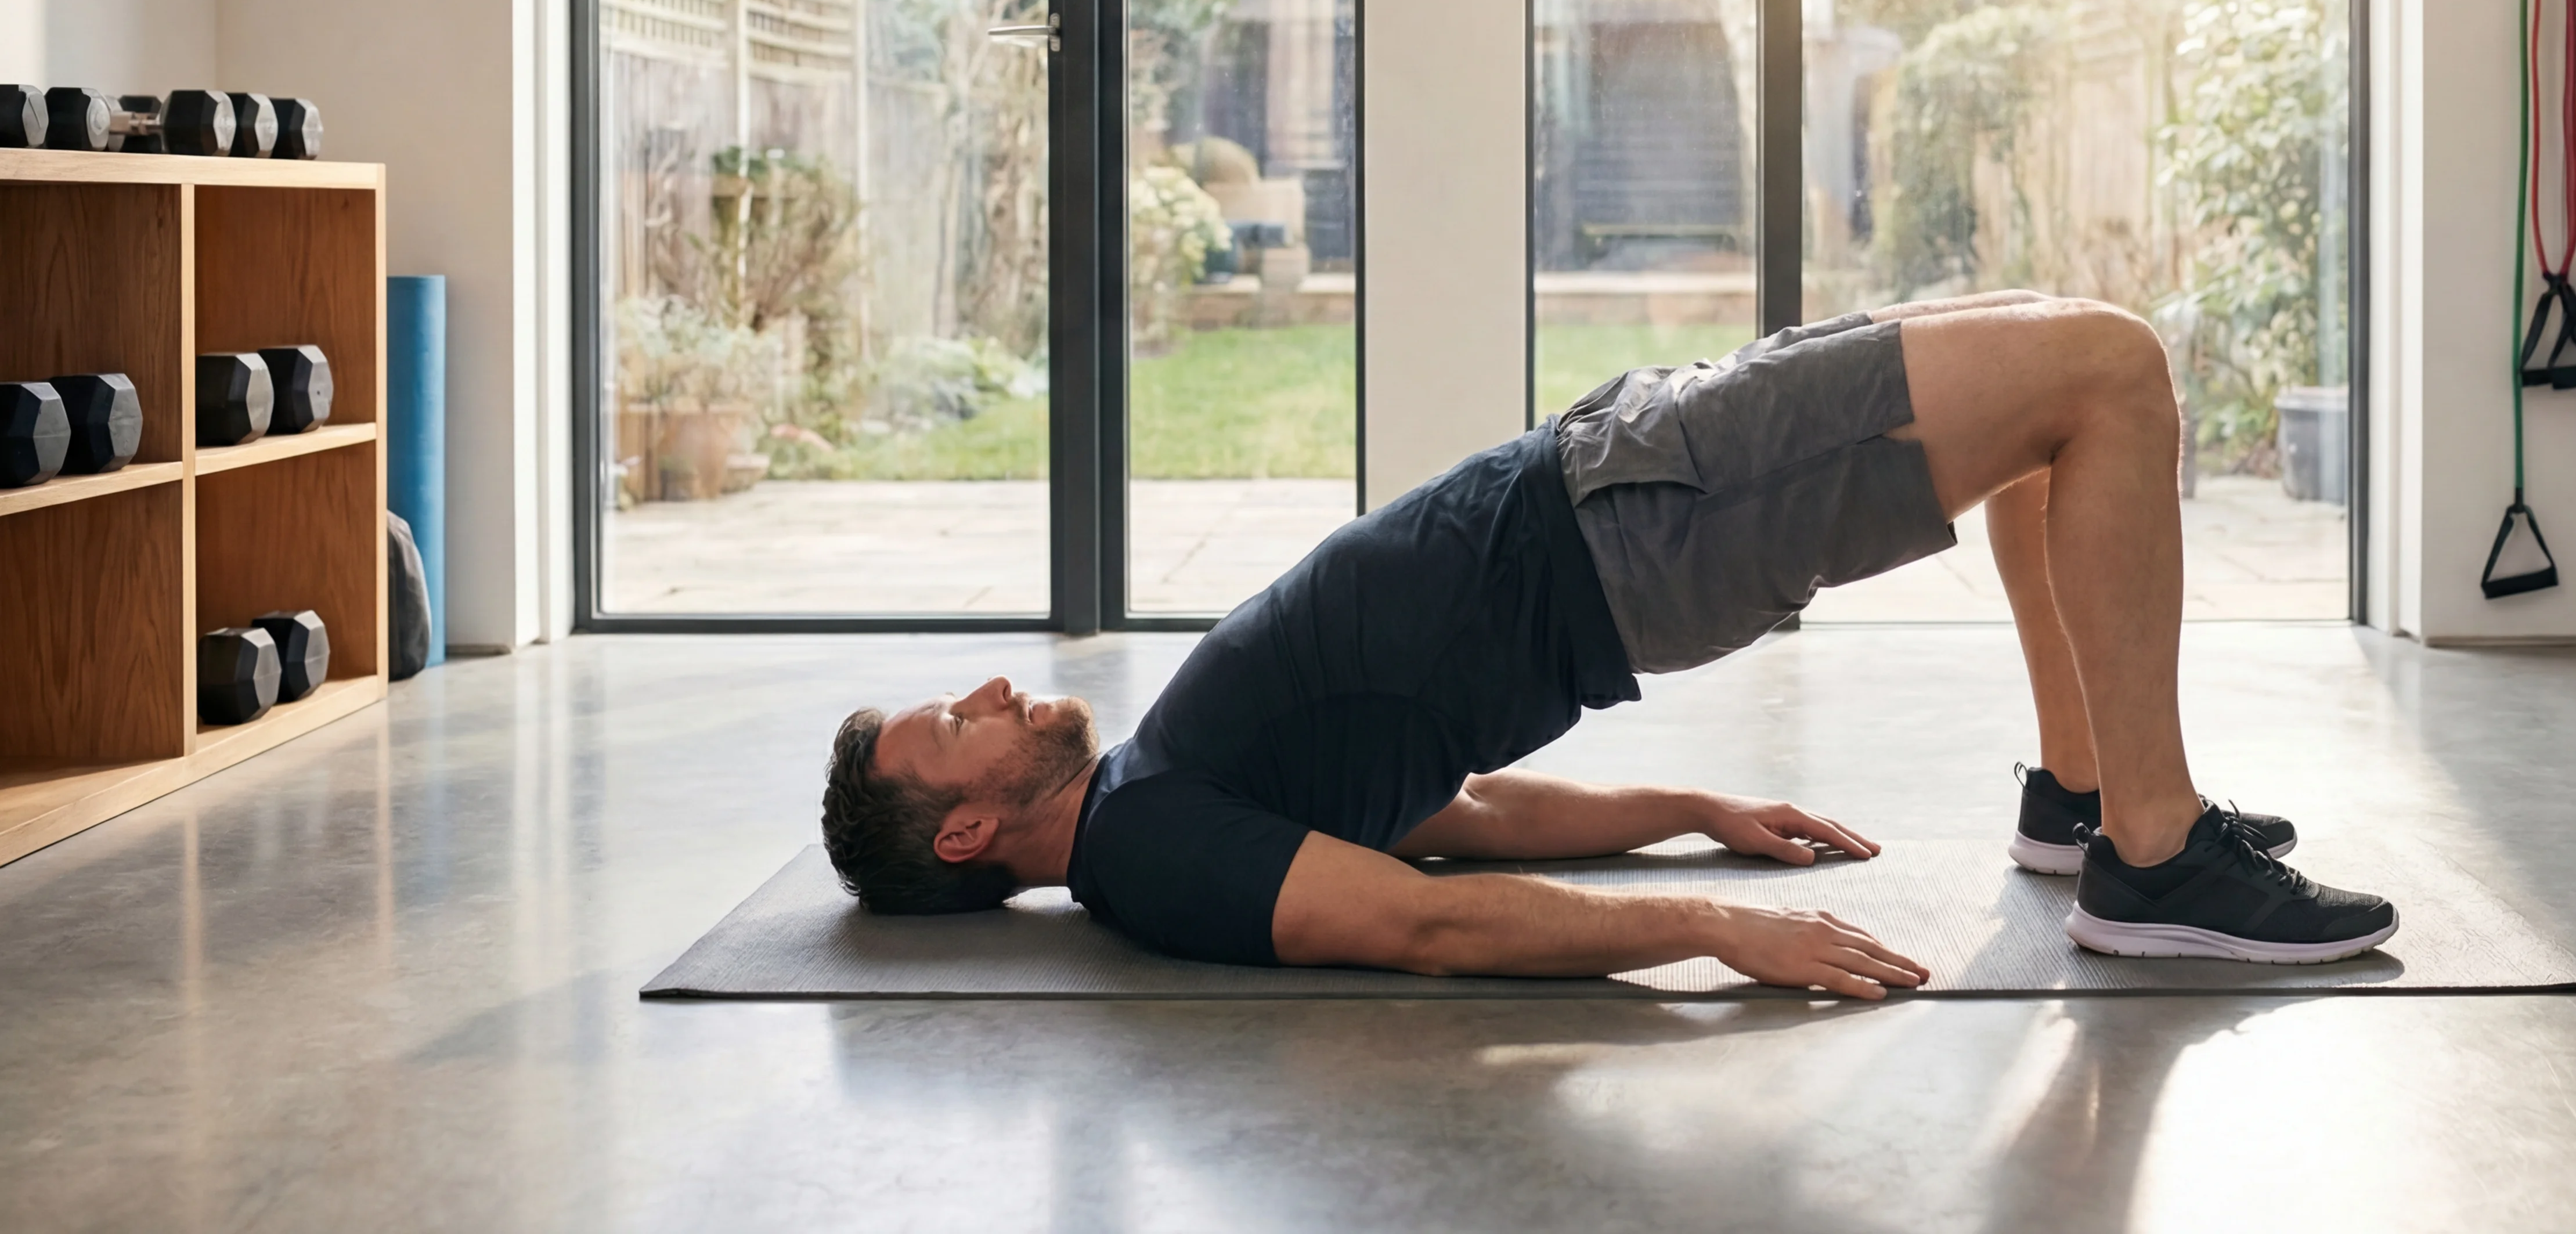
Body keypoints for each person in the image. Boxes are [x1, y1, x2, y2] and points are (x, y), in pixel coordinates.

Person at [821, 293, 2395, 998]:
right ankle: (2155, 847)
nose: (986, 689)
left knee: (2056, 404)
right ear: (966, 828)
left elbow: (1455, 819)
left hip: (1626, 484)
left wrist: (1692, 812)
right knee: (2110, 372)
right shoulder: (1155, 857)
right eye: (945, 726)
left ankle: (2082, 802)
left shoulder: (1164, 799)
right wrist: (1712, 927)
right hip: (1642, 518)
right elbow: (1422, 927)